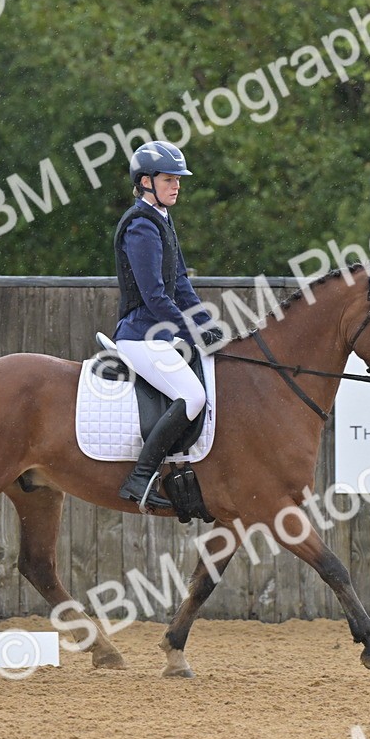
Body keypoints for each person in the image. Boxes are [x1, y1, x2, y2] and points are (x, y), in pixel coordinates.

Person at [113, 140, 221, 511]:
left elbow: (181, 285)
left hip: (159, 333)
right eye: (168, 179)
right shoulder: (141, 226)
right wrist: (192, 331)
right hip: (139, 336)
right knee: (193, 397)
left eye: (178, 179)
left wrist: (207, 322)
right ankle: (140, 477)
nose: (176, 186)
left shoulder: (162, 220)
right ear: (145, 182)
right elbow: (156, 296)